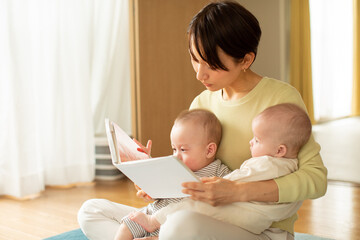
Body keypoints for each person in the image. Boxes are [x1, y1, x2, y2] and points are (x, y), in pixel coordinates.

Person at [78, 1, 327, 239]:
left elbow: (315, 180)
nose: (199, 74)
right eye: (195, 59)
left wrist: (236, 191)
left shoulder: (280, 99)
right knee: (91, 211)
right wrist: (155, 180)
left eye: (211, 65)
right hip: (195, 214)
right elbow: (192, 176)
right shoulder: (202, 103)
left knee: (180, 226)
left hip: (257, 228)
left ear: (246, 60)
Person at [129, 103, 311, 236]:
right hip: (249, 220)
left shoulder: (268, 164)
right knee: (100, 209)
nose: (250, 142)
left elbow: (240, 178)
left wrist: (222, 185)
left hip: (247, 220)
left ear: (280, 150)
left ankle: (153, 223)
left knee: (193, 205)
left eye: (257, 140)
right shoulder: (290, 165)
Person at [84, 109, 231, 240]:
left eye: (183, 150)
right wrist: (146, 166)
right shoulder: (172, 167)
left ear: (209, 150)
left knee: (176, 230)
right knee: (121, 223)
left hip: (178, 225)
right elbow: (158, 193)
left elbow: (227, 202)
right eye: (174, 149)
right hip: (151, 215)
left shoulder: (220, 173)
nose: (176, 155)